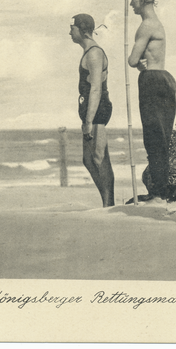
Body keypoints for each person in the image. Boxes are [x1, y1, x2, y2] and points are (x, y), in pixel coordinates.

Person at [128, 0, 176, 204]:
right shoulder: (157, 24)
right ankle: (160, 190)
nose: (131, 4)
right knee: (161, 138)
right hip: (164, 79)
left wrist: (137, 64)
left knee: (154, 139)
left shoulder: (146, 26)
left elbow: (132, 59)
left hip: (152, 81)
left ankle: (158, 194)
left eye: (133, 0)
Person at [70, 14, 114, 207]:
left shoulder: (94, 53)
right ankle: (107, 202)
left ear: (83, 29)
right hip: (91, 110)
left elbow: (96, 88)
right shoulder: (88, 51)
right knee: (89, 159)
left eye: (72, 28)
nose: (70, 31)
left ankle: (109, 204)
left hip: (97, 111)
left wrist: (88, 122)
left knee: (99, 158)